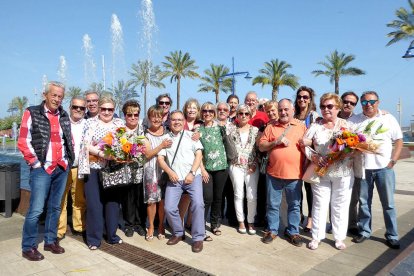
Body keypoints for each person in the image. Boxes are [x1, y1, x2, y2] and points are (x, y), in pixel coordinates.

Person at [18, 81, 74, 261]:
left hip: (61, 168)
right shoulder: (32, 112)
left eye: (60, 96)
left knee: (55, 207)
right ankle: (28, 247)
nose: (57, 99)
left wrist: (68, 160)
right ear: (45, 95)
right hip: (42, 168)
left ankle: (50, 241)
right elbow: (23, 140)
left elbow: (68, 139)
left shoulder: (63, 115)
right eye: (54, 95)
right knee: (36, 209)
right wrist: (35, 163)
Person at [351, 91, 403, 249]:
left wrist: (393, 160)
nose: (369, 105)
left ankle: (392, 235)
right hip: (363, 168)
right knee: (364, 203)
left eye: (372, 101)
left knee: (388, 204)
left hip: (383, 168)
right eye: (365, 102)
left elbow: (399, 140)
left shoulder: (388, 118)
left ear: (378, 102)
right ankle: (365, 231)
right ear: (361, 104)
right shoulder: (355, 121)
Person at [302, 93, 355, 250]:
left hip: (343, 172)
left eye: (330, 106)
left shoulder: (347, 126)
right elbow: (304, 145)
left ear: (338, 108)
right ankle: (316, 237)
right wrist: (315, 157)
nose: (326, 109)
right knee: (319, 204)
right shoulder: (315, 126)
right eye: (323, 106)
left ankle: (339, 237)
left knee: (340, 205)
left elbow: (356, 146)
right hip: (321, 171)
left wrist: (347, 152)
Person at [78, 96, 125, 250]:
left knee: (112, 204)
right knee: (94, 204)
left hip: (113, 169)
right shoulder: (90, 123)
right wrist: (103, 153)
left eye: (110, 109)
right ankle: (93, 239)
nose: (106, 112)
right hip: (93, 168)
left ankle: (111, 235)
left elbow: (125, 143)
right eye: (103, 108)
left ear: (114, 110)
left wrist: (119, 153)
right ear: (98, 109)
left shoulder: (119, 123)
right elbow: (85, 144)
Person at [259, 99, 306, 246]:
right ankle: (272, 230)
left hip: (295, 174)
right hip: (274, 174)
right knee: (273, 204)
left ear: (293, 110)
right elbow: (261, 146)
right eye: (280, 110)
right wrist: (275, 142)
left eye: (286, 109)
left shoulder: (301, 126)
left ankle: (293, 231)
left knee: (294, 205)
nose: (283, 112)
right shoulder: (271, 126)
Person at [158, 110, 205, 253]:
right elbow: (160, 159)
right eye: (173, 120)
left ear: (184, 121)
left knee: (198, 204)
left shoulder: (192, 136)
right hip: (175, 178)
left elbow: (199, 155)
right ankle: (178, 232)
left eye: (179, 119)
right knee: (169, 208)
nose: (176, 122)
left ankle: (198, 238)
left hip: (193, 177)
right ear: (169, 122)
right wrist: (170, 172)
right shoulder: (165, 138)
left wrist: (192, 173)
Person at [57, 96, 87, 240]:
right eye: (75, 107)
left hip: (78, 167)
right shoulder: (61, 122)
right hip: (63, 168)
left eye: (82, 108)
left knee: (79, 199)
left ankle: (79, 227)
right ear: (70, 108)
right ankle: (59, 230)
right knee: (61, 200)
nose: (78, 110)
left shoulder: (87, 124)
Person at [227, 104, 259, 234]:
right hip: (236, 166)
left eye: (246, 114)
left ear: (250, 116)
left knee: (252, 195)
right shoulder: (231, 129)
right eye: (241, 113)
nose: (243, 116)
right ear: (237, 115)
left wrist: (254, 163)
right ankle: (241, 221)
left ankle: (251, 221)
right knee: (238, 194)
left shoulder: (256, 130)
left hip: (252, 166)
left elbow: (258, 150)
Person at [198, 102, 229, 237]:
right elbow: (196, 152)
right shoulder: (198, 130)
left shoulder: (221, 127)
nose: (207, 113)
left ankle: (215, 223)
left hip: (221, 167)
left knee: (218, 197)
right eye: (205, 110)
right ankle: (200, 224)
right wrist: (202, 169)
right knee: (207, 198)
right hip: (206, 169)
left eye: (210, 111)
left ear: (214, 113)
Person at [143, 105, 173, 241]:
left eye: (159, 116)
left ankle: (161, 225)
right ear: (149, 118)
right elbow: (148, 154)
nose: (156, 119)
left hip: (165, 171)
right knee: (151, 201)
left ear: (162, 118)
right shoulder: (145, 134)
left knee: (163, 201)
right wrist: (161, 145)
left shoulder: (168, 133)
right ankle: (150, 226)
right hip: (150, 171)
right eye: (153, 116)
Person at [293, 86, 320, 232]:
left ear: (310, 99)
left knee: (310, 189)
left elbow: (320, 137)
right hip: (295, 157)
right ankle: (298, 216)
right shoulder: (293, 115)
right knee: (296, 189)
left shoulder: (314, 117)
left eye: (305, 97)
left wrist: (310, 142)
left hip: (309, 158)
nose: (302, 99)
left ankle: (310, 218)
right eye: (300, 97)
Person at [120, 100, 147, 238]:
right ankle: (129, 224)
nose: (133, 117)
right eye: (129, 115)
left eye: (135, 115)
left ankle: (140, 224)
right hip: (125, 170)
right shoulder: (120, 131)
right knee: (127, 199)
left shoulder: (143, 130)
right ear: (125, 115)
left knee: (140, 199)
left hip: (141, 170)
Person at [244, 91, 269, 227]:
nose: (251, 102)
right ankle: (247, 217)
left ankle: (261, 216)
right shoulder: (241, 115)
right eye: (248, 100)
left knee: (261, 190)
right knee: (248, 190)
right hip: (246, 160)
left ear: (257, 102)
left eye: (253, 100)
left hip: (261, 158)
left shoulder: (263, 116)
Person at [338, 91, 361, 236]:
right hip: (333, 164)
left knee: (353, 197)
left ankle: (352, 224)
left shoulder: (358, 120)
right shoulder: (332, 116)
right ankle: (334, 224)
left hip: (353, 164)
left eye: (352, 103)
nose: (348, 104)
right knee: (334, 197)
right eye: (346, 101)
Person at [178, 98, 202, 231]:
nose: (192, 109)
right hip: (183, 166)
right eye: (189, 107)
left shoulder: (201, 125)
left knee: (195, 198)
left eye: (194, 107)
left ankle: (190, 222)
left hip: (198, 165)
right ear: (185, 109)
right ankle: (179, 221)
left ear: (198, 111)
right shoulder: (181, 124)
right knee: (185, 197)